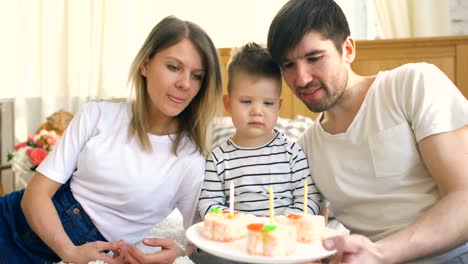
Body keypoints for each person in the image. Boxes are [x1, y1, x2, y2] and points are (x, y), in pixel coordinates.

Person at [0, 15, 222, 264]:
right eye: (174, 67)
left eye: (197, 76)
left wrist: (180, 253)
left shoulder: (190, 160)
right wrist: (70, 252)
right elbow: (37, 193)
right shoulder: (97, 114)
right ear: (145, 65)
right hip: (14, 219)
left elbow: (203, 237)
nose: (185, 84)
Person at [266, 0, 468, 263]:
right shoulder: (305, 148)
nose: (301, 79)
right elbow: (316, 230)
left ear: (347, 50)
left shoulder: (412, 85)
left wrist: (380, 254)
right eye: (288, 66)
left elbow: (464, 196)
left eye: (314, 58)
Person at [192, 42, 322, 264]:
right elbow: (208, 203)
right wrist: (239, 221)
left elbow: (308, 198)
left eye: (268, 103)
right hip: (237, 244)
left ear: (278, 107)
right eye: (246, 101)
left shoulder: (292, 153)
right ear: (228, 103)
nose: (257, 111)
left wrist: (282, 223)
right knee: (201, 254)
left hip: (282, 244)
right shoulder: (218, 157)